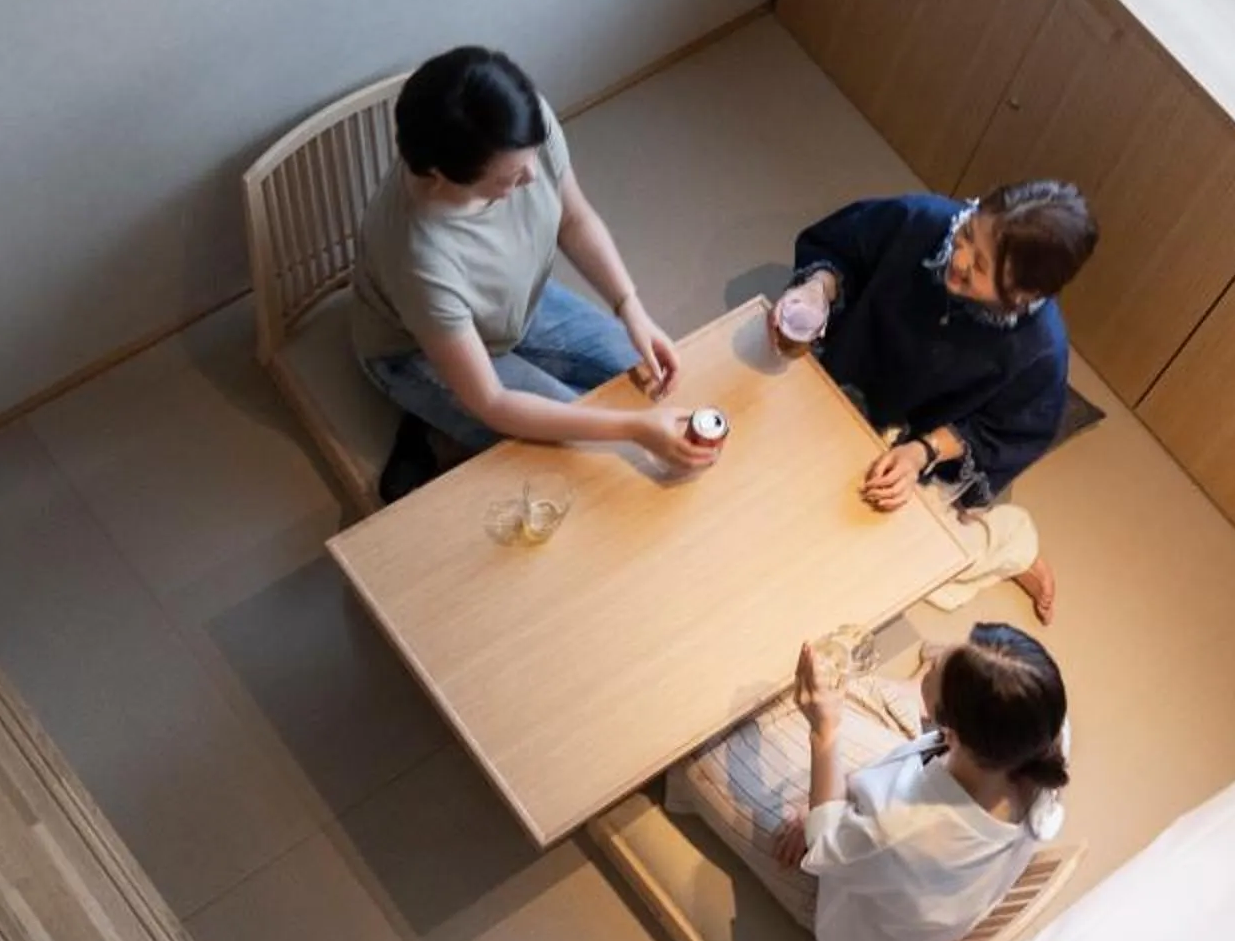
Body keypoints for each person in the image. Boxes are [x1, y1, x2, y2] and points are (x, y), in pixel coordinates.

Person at [351, 47, 723, 500]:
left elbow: (574, 219)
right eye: (508, 178)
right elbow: (493, 401)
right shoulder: (419, 254)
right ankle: (427, 416)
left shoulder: (522, 128)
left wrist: (631, 307)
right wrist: (634, 429)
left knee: (647, 384)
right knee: (592, 464)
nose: (530, 176)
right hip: (417, 349)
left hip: (517, 299)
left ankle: (450, 413)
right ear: (440, 175)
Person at [767, 181, 1097, 620]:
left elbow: (1003, 432)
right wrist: (817, 289)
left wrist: (920, 452)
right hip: (850, 362)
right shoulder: (923, 220)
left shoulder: (1040, 350)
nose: (958, 260)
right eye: (967, 236)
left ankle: (1010, 545)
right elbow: (842, 248)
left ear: (1021, 296)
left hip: (917, 437)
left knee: (863, 557)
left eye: (979, 266)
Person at [669, 624, 1070, 941]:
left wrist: (824, 734)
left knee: (694, 742)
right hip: (904, 855)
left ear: (951, 729)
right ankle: (901, 700)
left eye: (938, 669)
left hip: (847, 901)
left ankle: (870, 715)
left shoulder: (904, 832)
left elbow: (825, 847)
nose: (940, 654)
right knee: (850, 687)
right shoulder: (1045, 741)